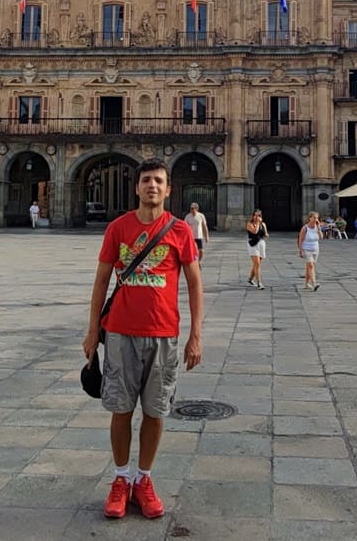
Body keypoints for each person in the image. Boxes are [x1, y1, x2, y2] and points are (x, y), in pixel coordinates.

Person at [82, 158, 202, 521]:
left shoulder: (180, 231)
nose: (152, 186)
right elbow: (101, 281)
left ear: (168, 190)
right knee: (121, 408)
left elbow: (195, 285)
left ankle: (144, 480)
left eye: (159, 181)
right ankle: (120, 479)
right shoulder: (119, 228)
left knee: (156, 410)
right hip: (119, 332)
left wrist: (195, 336)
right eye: (146, 180)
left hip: (165, 333)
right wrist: (92, 331)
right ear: (137, 187)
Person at [298, 211, 322, 291]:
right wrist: (300, 250)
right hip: (306, 249)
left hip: (315, 249)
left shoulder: (317, 227)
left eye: (317, 218)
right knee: (311, 266)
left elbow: (321, 237)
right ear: (309, 218)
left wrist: (319, 228)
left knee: (309, 267)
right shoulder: (305, 228)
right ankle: (314, 284)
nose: (316, 219)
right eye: (314, 217)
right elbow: (300, 239)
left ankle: (306, 284)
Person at [245, 209, 268, 288]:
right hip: (252, 244)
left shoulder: (263, 224)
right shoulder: (249, 224)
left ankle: (250, 279)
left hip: (261, 244)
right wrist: (258, 223)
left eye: (258, 216)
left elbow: (265, 234)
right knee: (257, 264)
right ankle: (259, 283)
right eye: (255, 215)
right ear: (253, 216)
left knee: (256, 264)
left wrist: (265, 233)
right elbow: (254, 232)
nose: (256, 217)